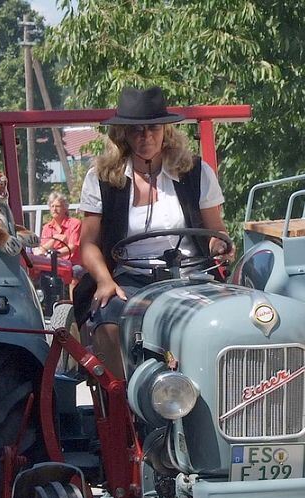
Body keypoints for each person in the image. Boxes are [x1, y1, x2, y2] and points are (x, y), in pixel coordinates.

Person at [76, 86, 234, 380]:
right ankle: (123, 410)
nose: (145, 136)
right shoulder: (102, 178)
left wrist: (218, 245)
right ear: (122, 134)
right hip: (130, 278)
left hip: (192, 275)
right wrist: (104, 280)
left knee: (232, 319)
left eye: (152, 128)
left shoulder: (196, 172)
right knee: (109, 322)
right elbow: (88, 245)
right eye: (135, 129)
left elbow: (216, 231)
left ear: (166, 131)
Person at [36, 191, 83, 266]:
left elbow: (72, 247)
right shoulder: (46, 227)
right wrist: (54, 240)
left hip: (73, 265)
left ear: (65, 208)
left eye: (57, 206)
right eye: (52, 206)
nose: (54, 209)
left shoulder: (75, 224)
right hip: (52, 265)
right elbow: (42, 249)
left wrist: (52, 255)